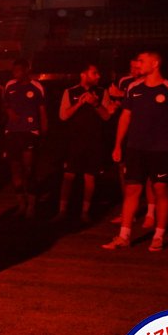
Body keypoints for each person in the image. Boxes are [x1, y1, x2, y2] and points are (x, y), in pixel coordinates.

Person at [104, 51, 168, 251]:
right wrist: (118, 144)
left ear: (155, 63)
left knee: (161, 190)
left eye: (142, 61)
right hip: (135, 148)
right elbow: (125, 117)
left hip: (161, 150)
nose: (138, 64)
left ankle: (159, 235)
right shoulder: (133, 87)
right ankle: (124, 236)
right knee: (132, 189)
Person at [57, 64, 113, 222]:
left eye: (98, 73)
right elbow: (63, 116)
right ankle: (62, 212)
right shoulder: (70, 92)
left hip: (94, 141)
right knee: (68, 176)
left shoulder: (102, 92)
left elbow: (107, 117)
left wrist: (95, 104)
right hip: (74, 141)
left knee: (90, 178)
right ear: (83, 74)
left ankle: (85, 212)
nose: (98, 76)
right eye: (94, 73)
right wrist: (80, 103)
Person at [105, 58, 157, 228]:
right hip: (127, 132)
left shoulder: (150, 82)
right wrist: (113, 102)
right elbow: (121, 106)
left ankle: (150, 212)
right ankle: (128, 212)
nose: (134, 71)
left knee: (149, 173)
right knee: (124, 170)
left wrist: (123, 95)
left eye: (137, 67)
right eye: (132, 68)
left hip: (147, 132)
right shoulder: (125, 81)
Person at [3, 59, 47, 218]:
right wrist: (9, 112)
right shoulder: (10, 85)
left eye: (18, 70)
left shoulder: (37, 87)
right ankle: (21, 204)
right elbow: (5, 104)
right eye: (14, 70)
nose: (15, 73)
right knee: (15, 169)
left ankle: (31, 205)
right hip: (12, 132)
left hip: (30, 132)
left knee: (29, 169)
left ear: (26, 70)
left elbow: (42, 110)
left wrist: (44, 131)